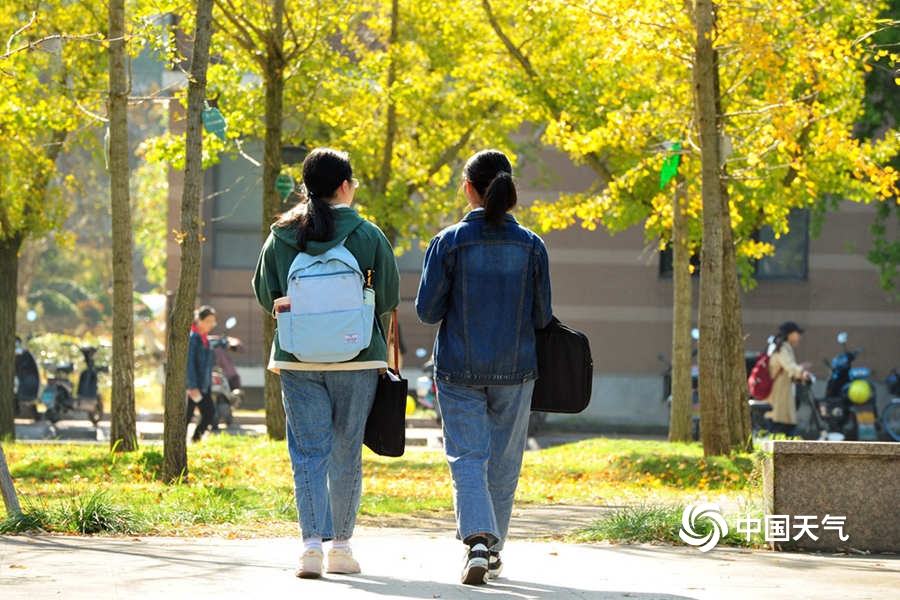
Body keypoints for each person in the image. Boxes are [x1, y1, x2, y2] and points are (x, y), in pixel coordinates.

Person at [252, 148, 399, 579]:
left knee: (308, 453)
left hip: (297, 359)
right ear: (344, 186)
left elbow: (265, 293)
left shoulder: (281, 235)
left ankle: (311, 549)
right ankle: (342, 548)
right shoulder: (368, 235)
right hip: (356, 359)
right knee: (345, 451)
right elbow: (387, 297)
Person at [415, 149, 553, 585]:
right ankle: (491, 551)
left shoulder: (448, 241)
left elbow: (427, 310)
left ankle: (477, 541)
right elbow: (543, 317)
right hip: (516, 368)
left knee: (467, 457)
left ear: (469, 188)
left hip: (457, 367)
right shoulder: (532, 245)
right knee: (505, 461)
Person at [764, 320, 812, 436]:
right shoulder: (782, 348)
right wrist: (802, 373)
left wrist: (798, 373)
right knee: (781, 422)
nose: (799, 337)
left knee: (785, 421)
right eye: (797, 333)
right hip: (778, 391)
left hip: (783, 390)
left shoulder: (782, 346)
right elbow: (789, 366)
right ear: (790, 334)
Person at [186, 305, 218, 443]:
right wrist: (192, 386)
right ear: (199, 320)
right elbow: (189, 363)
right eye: (208, 321)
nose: (211, 325)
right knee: (186, 416)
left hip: (203, 384)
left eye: (213, 321)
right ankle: (180, 445)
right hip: (193, 385)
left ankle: (195, 440)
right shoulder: (193, 338)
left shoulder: (204, 338)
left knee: (208, 413)